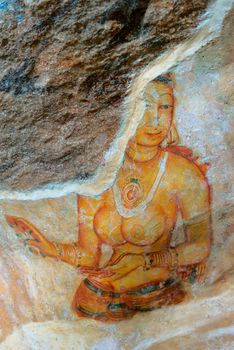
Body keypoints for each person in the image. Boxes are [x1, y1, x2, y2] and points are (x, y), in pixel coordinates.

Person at [6, 74, 212, 322]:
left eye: (165, 107)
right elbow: (89, 254)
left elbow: (201, 247)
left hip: (156, 296)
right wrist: (53, 249)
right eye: (144, 107)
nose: (156, 120)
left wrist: (147, 260)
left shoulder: (183, 174)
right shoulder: (98, 177)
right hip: (94, 297)